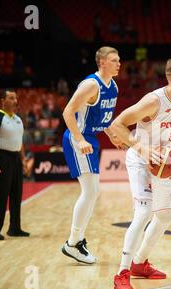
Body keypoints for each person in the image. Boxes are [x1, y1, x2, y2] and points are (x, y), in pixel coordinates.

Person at [109, 56, 171, 289]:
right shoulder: (153, 101)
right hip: (141, 161)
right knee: (143, 213)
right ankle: (122, 272)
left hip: (165, 162)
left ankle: (140, 262)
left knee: (166, 217)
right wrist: (141, 148)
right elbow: (117, 124)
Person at [61, 46, 124, 264]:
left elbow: (103, 119)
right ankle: (73, 243)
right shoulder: (90, 85)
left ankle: (75, 241)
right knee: (90, 191)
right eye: (114, 60)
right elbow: (68, 111)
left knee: (93, 192)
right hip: (78, 137)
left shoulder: (113, 87)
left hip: (92, 138)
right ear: (102, 63)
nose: (119, 63)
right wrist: (79, 139)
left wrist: (112, 135)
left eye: (119, 60)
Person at [0, 89, 29, 240]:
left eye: (15, 98)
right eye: (11, 98)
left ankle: (15, 228)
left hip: (16, 158)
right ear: (2, 100)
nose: (15, 101)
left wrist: (23, 160)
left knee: (16, 195)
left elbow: (19, 141)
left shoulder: (18, 119)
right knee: (0, 195)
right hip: (2, 158)